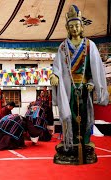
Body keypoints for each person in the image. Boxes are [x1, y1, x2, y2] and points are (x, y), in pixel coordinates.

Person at [50, 5, 109, 165]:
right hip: (69, 89)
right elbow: (57, 66)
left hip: (84, 89)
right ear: (68, 28)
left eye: (77, 25)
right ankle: (71, 144)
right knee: (69, 116)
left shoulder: (90, 45)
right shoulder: (63, 47)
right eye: (71, 26)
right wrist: (54, 75)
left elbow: (94, 69)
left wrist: (91, 82)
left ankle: (84, 143)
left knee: (84, 117)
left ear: (81, 27)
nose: (74, 28)